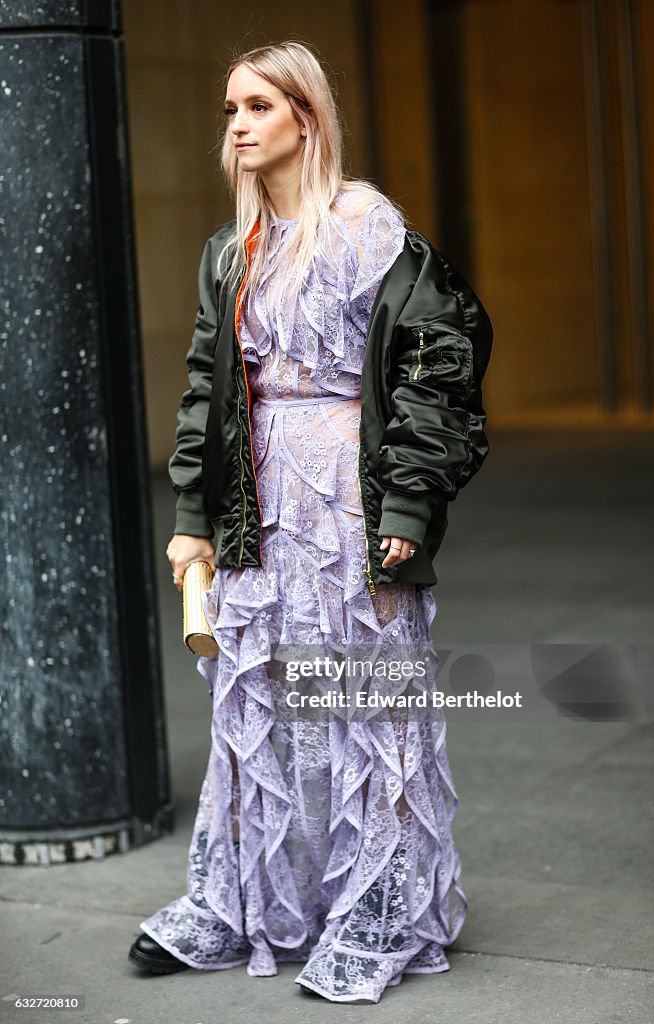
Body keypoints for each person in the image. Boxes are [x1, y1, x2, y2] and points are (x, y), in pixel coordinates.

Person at [128, 40, 493, 1003]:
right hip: (259, 503)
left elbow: (436, 366)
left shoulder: (367, 231)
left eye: (256, 106)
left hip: (350, 492)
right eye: (228, 110)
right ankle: (238, 904)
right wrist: (194, 519)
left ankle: (375, 913)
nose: (238, 125)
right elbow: (208, 394)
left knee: (365, 702)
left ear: (306, 116)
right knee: (256, 700)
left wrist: (408, 500)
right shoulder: (231, 252)